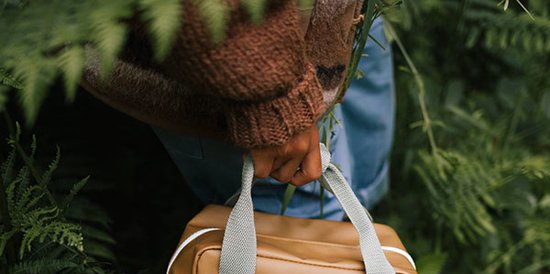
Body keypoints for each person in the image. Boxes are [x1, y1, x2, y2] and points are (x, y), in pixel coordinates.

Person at [82, 0, 394, 220]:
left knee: (358, 189)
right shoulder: (269, 91)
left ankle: (355, 257)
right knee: (297, 219)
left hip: (334, 26)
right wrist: (273, 100)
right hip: (243, 66)